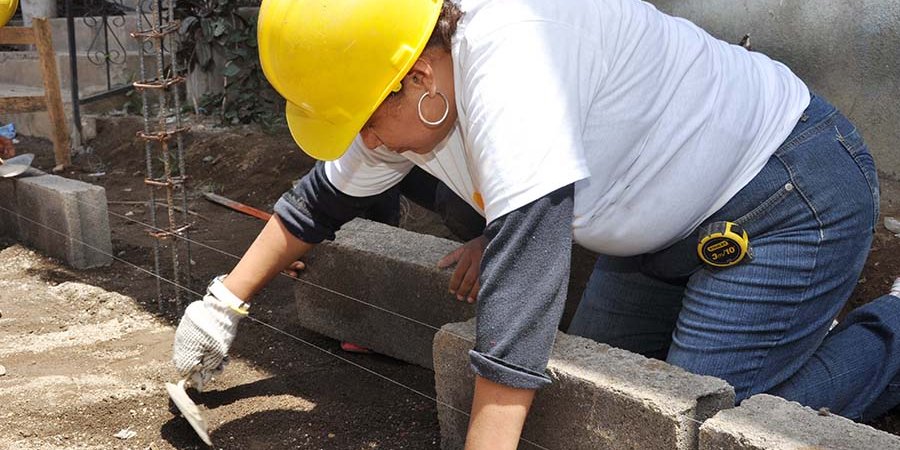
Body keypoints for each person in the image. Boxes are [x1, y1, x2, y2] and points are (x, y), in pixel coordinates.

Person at [173, 0, 900, 447]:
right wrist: (223, 303)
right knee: (593, 413)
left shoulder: (509, 56)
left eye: (364, 121)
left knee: (693, 430)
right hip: (651, 235)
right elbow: (316, 205)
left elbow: (522, 301)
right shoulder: (413, 89)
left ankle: (890, 333)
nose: (367, 143)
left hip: (784, 195)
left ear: (418, 79)